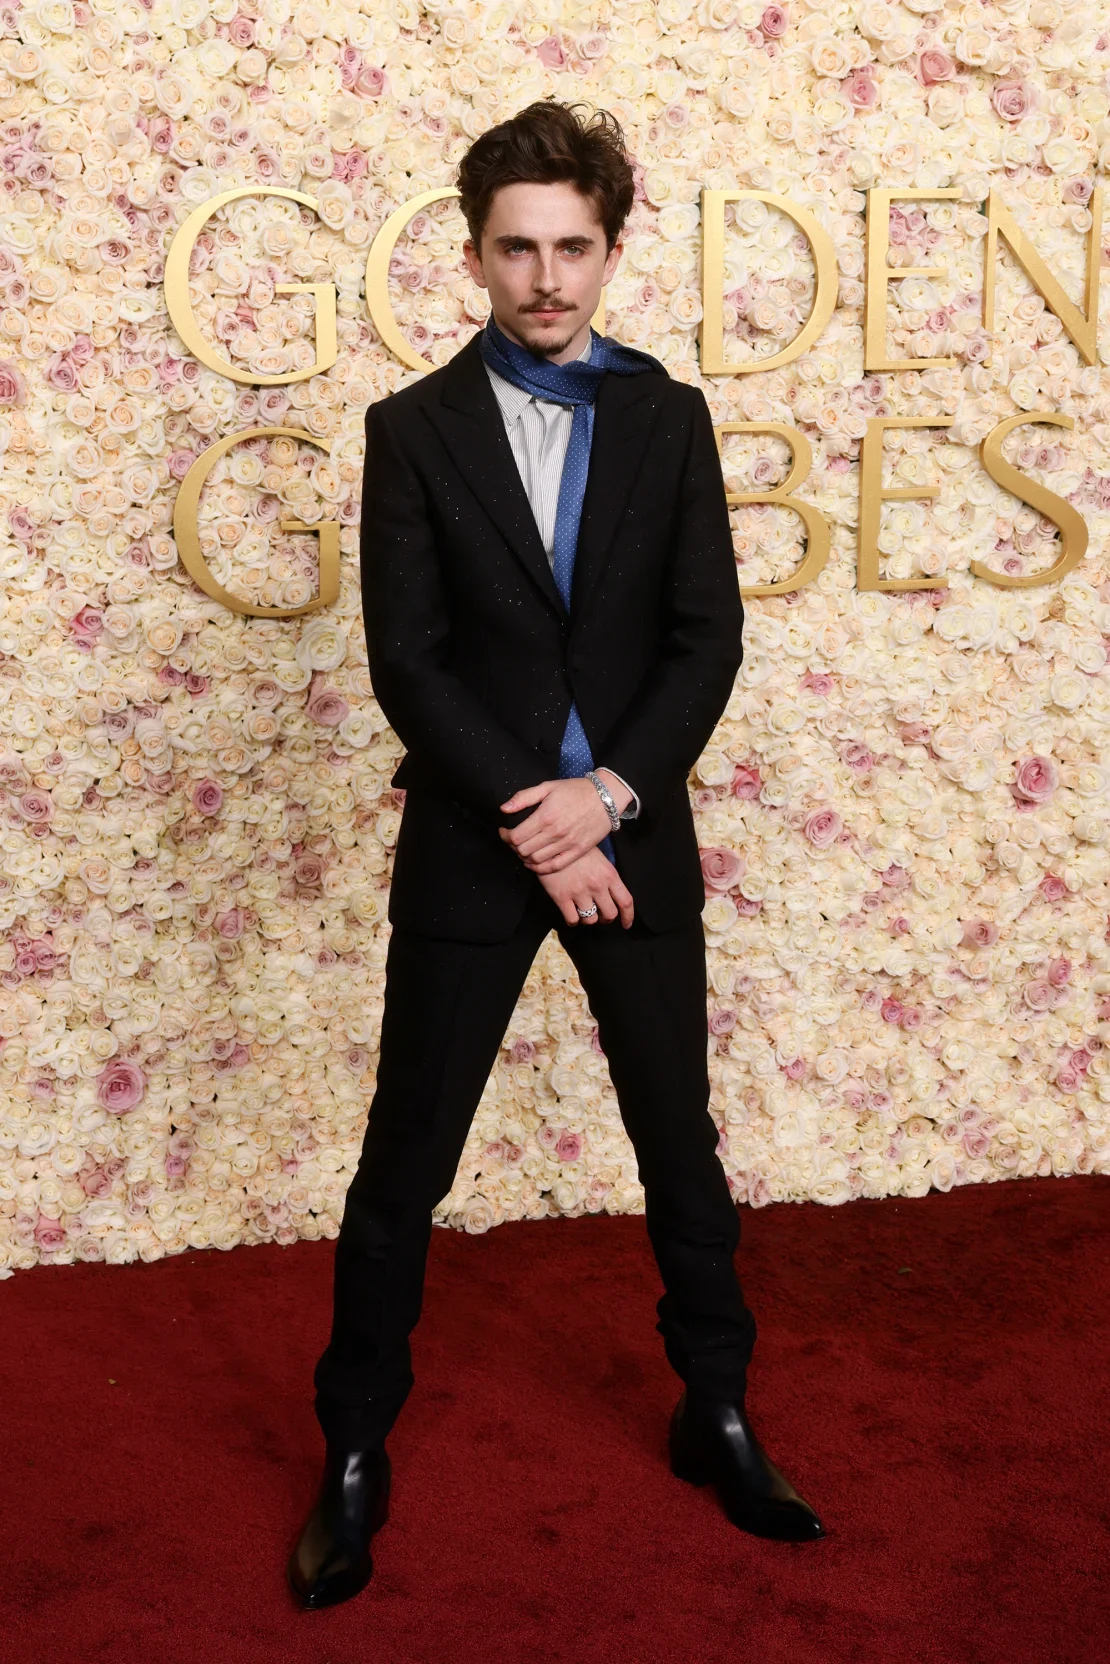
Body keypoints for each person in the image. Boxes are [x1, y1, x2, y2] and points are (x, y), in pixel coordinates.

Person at [287, 99, 824, 1611]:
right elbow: (413, 659)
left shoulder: (669, 418)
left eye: (570, 247)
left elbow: (702, 639)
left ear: (608, 250)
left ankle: (714, 1409)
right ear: (472, 254)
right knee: (407, 1159)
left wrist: (617, 800)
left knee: (679, 1143)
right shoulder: (413, 429)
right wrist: (543, 811)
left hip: (633, 836)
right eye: (514, 247)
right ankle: (349, 1448)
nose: (543, 276)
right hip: (478, 842)